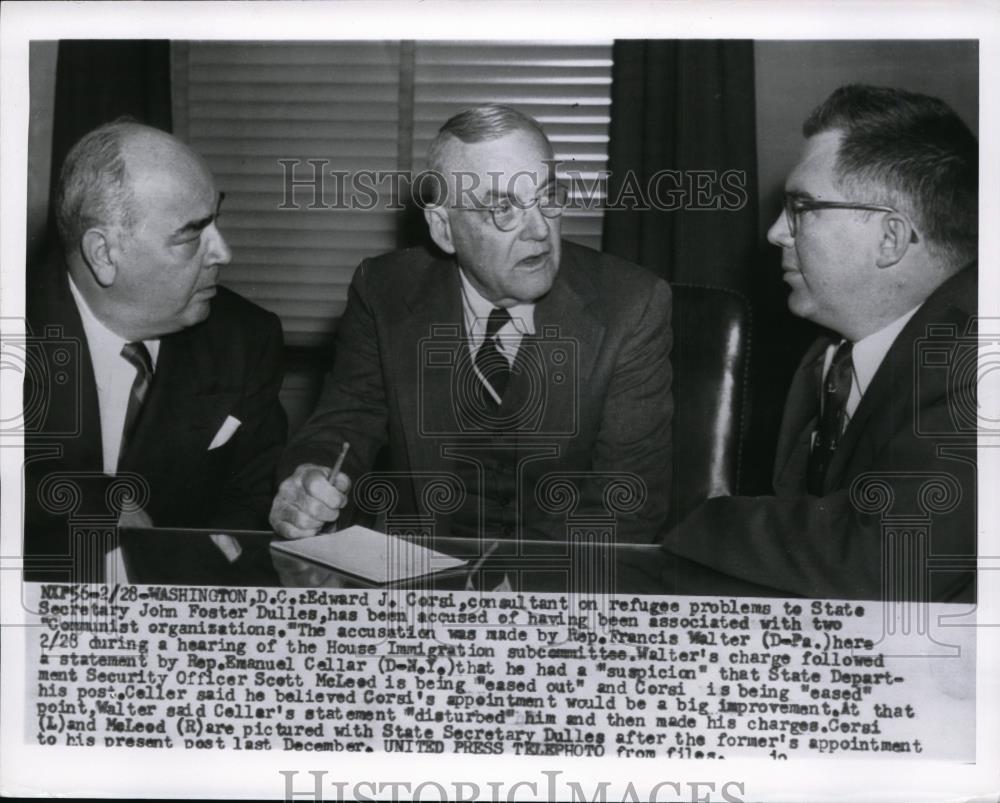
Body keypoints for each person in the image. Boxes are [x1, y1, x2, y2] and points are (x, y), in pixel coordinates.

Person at [271, 105, 672, 544]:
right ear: (444, 229)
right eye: (503, 207)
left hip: (555, 576)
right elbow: (344, 424)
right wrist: (311, 480)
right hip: (415, 568)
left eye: (548, 196)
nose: (539, 230)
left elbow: (627, 504)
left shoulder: (630, 305)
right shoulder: (383, 290)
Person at [659, 84, 978, 602]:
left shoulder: (978, 360)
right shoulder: (829, 357)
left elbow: (890, 557)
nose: (776, 233)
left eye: (801, 207)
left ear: (891, 238)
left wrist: (702, 515)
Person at [23, 121, 287, 584]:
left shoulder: (245, 340)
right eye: (190, 235)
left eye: (215, 220)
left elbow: (253, 500)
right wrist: (96, 501)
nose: (223, 252)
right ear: (103, 254)